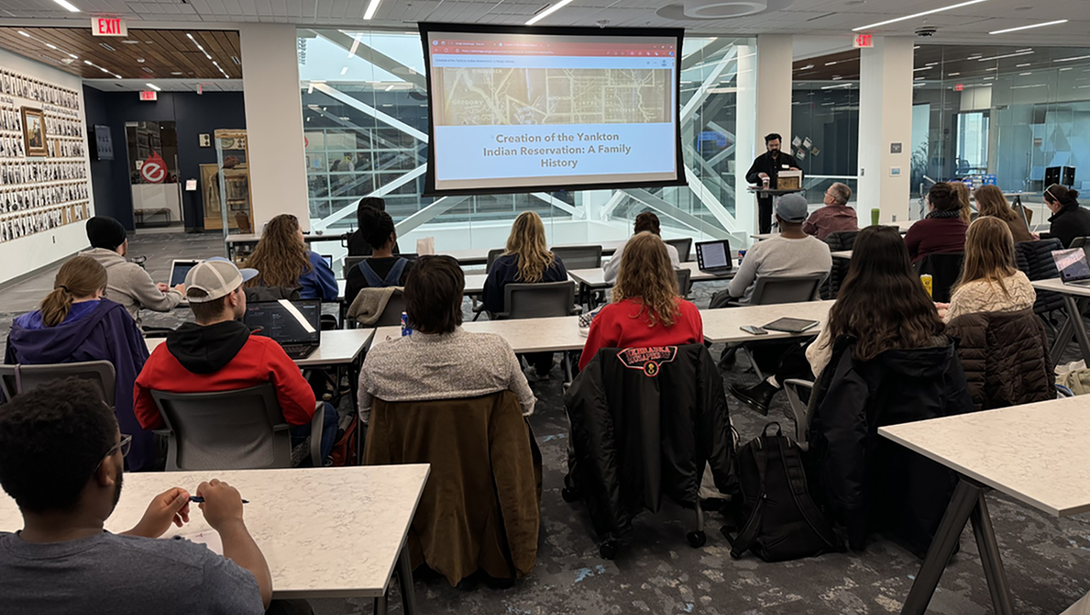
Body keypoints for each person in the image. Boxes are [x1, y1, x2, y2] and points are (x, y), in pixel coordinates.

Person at [0, 378, 271, 613]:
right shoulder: (186, 570)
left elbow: (67, 555)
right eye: (119, 445)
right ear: (107, 470)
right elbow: (255, 595)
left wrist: (141, 532)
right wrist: (230, 522)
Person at [134, 259, 338, 464]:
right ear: (233, 298)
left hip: (191, 460)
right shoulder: (264, 351)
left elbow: (148, 419)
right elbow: (302, 412)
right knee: (326, 414)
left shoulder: (160, 357)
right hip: (263, 459)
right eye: (241, 289)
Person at [4, 256, 155, 471]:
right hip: (99, 437)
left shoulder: (21, 330)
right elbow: (134, 375)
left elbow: (9, 395)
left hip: (39, 439)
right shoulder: (111, 318)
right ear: (99, 290)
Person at [358, 255, 535, 423]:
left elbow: (367, 417)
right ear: (460, 302)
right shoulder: (497, 352)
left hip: (406, 446)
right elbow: (526, 406)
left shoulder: (378, 361)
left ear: (408, 304)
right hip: (480, 445)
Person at [579, 233, 703, 371]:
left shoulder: (610, 316)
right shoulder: (690, 312)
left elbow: (588, 368)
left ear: (625, 269)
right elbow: (699, 362)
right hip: (680, 385)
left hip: (624, 385)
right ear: (667, 268)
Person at [484, 211, 568, 380]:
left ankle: (516, 371)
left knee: (506, 318)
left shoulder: (502, 264)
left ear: (514, 233)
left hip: (512, 327)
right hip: (550, 327)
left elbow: (491, 302)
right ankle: (542, 367)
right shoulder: (555, 263)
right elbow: (564, 298)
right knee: (543, 318)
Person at [723, 193, 832, 305]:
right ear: (806, 216)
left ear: (778, 217)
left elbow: (735, 291)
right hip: (803, 310)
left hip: (756, 311)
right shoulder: (823, 249)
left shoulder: (759, 250)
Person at [82, 216, 184, 324]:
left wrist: (147, 291)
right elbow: (164, 304)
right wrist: (179, 292)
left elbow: (117, 295)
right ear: (122, 243)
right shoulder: (130, 272)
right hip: (122, 333)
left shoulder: (75, 269)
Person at [937, 217, 1035, 323]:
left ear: (971, 249)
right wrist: (955, 308)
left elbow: (951, 328)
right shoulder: (1022, 280)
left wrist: (939, 315)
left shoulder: (967, 294)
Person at [244, 214, 337, 301]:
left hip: (264, 312)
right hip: (304, 311)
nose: (303, 236)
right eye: (301, 231)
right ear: (295, 236)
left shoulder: (254, 263)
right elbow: (331, 294)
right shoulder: (312, 261)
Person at [344, 207, 414, 306]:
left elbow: (351, 308)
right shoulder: (411, 272)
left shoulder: (355, 275)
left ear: (366, 238)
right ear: (392, 236)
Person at [746, 133, 801, 234]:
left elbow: (801, 176)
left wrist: (797, 172)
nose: (774, 148)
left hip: (785, 196)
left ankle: (784, 239)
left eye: (776, 145)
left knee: (785, 220)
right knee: (764, 221)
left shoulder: (788, 159)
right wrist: (758, 174)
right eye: (771, 145)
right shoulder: (760, 160)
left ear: (780, 144)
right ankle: (764, 242)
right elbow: (748, 177)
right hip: (766, 196)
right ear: (766, 145)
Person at [603, 212, 680, 283]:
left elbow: (608, 277)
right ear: (659, 231)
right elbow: (676, 279)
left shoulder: (624, 250)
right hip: (663, 293)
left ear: (635, 231)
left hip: (633, 293)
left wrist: (606, 265)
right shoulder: (671, 251)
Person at [904, 182, 968, 263]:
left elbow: (902, 252)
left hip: (924, 270)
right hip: (960, 271)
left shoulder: (921, 227)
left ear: (932, 205)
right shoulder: (965, 228)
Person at [1042, 184, 1090, 248]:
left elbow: (1055, 245)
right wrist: (1041, 236)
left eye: (1047, 204)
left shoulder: (1060, 222)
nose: (1048, 207)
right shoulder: (1086, 212)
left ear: (1056, 204)